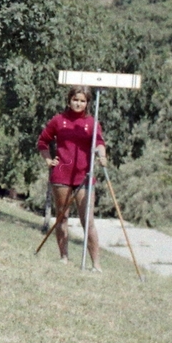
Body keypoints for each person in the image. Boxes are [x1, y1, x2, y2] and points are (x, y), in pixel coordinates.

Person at [37, 86, 108, 270]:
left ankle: (96, 265)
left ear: (87, 103)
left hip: (84, 177)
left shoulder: (92, 123)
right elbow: (43, 141)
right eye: (75, 99)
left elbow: (99, 141)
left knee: (88, 220)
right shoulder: (59, 120)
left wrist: (102, 155)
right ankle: (64, 257)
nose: (78, 103)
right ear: (69, 100)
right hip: (61, 175)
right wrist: (48, 160)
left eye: (82, 100)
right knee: (62, 217)